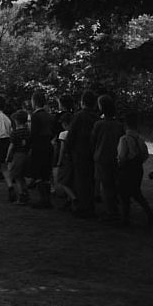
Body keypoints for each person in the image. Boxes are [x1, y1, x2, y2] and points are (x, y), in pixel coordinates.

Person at [117, 111, 153, 227]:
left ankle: (125, 219)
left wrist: (119, 165)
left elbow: (122, 156)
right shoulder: (140, 139)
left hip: (126, 169)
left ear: (125, 125)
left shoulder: (124, 139)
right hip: (137, 168)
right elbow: (145, 154)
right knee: (136, 192)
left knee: (124, 194)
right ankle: (150, 214)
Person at [65, 90, 99, 218]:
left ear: (82, 102)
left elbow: (71, 134)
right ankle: (89, 206)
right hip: (92, 152)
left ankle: (83, 208)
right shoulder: (95, 117)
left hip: (79, 152)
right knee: (90, 180)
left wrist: (68, 150)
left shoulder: (79, 116)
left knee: (80, 181)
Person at [91, 94, 124, 222]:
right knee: (113, 185)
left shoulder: (99, 124)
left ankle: (111, 213)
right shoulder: (119, 125)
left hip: (101, 157)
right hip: (114, 158)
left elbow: (92, 141)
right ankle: (114, 210)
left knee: (106, 186)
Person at [29, 89, 54, 208]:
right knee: (46, 174)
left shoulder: (35, 116)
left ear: (34, 102)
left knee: (38, 174)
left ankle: (42, 199)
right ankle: (47, 199)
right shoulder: (49, 115)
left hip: (38, 146)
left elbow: (33, 133)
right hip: (48, 145)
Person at [7, 109, 31, 205]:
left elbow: (11, 146)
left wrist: (7, 157)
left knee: (17, 177)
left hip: (17, 155)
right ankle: (26, 193)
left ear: (16, 121)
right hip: (26, 154)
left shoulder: (15, 133)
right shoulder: (28, 132)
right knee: (22, 176)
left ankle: (22, 196)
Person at [54, 113, 76, 210]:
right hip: (74, 158)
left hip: (66, 159)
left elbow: (62, 149)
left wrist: (59, 161)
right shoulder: (75, 133)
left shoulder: (63, 134)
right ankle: (69, 200)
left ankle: (73, 198)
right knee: (70, 179)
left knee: (62, 180)